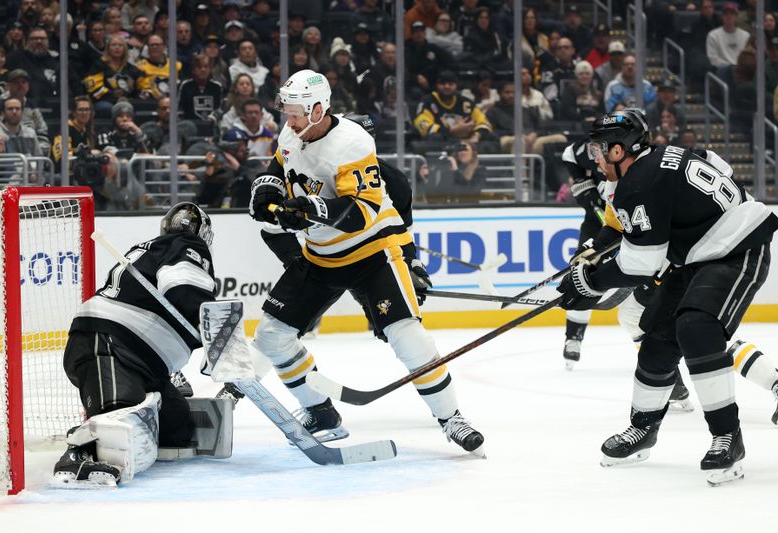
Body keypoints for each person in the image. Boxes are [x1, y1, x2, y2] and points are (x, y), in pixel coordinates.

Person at [247, 69, 485, 455]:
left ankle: (451, 417)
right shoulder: (291, 132)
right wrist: (266, 188)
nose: (287, 121)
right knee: (272, 337)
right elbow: (280, 166)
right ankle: (320, 412)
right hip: (320, 256)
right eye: (286, 112)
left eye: (295, 113)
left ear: (318, 108)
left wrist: (311, 209)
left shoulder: (352, 143)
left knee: (407, 335)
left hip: (371, 254)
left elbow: (364, 210)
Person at [557, 109, 778, 485]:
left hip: (737, 249)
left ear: (617, 151)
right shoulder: (658, 161)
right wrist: (592, 258)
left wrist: (590, 282)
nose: (594, 157)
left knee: (696, 326)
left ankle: (728, 437)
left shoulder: (638, 183)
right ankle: (643, 429)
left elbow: (641, 262)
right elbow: (624, 222)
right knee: (657, 335)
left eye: (599, 149)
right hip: (699, 253)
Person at [51, 204, 230, 487]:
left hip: (142, 360)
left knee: (177, 430)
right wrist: (219, 334)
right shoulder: (187, 244)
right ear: (203, 234)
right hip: (109, 344)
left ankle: (111, 429)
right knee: (119, 423)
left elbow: (174, 304)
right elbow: (183, 288)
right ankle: (78, 454)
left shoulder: (156, 249)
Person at [559, 138, 607, 369]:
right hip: (598, 222)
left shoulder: (641, 158)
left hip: (632, 220)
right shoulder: (592, 148)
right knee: (582, 273)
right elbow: (569, 153)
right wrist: (582, 182)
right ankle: (574, 337)